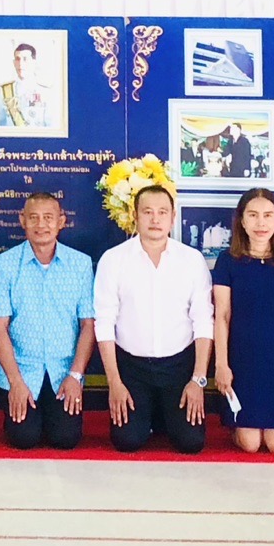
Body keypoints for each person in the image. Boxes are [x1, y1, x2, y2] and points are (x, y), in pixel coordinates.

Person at [95, 186, 212, 454]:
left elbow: (203, 322)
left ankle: (162, 416)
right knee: (127, 442)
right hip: (132, 367)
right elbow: (104, 323)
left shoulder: (191, 261)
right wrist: (114, 382)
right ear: (135, 216)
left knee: (191, 443)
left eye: (162, 212)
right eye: (147, 212)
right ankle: (150, 415)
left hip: (179, 366)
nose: (155, 219)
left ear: (173, 218)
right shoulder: (114, 260)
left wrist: (198, 380)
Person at [0, 193, 96, 451]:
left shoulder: (80, 265)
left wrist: (75, 375)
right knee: (23, 439)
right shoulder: (4, 265)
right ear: (22, 220)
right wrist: (15, 382)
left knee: (66, 439)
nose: (41, 225)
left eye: (48, 218)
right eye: (33, 218)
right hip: (21, 370)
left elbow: (88, 326)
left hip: (64, 371)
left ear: (61, 221)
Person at [210, 188, 274, 454]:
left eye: (268, 215)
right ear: (241, 221)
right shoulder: (227, 261)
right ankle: (239, 428)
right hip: (242, 361)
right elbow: (221, 315)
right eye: (253, 215)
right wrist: (221, 364)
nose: (261, 223)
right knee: (250, 444)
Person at [0, 43, 52, 129]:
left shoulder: (45, 92)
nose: (20, 63)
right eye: (17, 59)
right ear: (14, 63)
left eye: (25, 59)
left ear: (34, 62)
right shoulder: (4, 91)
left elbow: (51, 127)